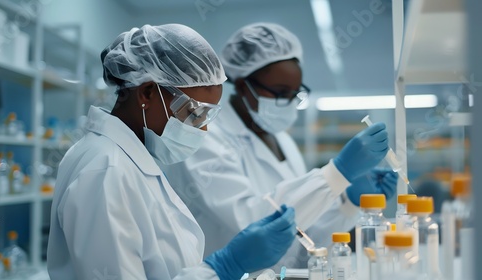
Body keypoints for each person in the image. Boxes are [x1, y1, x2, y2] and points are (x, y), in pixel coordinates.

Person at [47, 24, 297, 280]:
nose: (204, 128)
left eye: (208, 116)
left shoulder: (132, 159)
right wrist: (224, 266)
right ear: (147, 92)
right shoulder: (105, 171)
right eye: (194, 113)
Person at [160, 22, 398, 268]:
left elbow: (303, 236)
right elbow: (254, 222)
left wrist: (348, 203)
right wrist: (336, 174)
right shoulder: (205, 137)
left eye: (294, 93)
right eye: (280, 92)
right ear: (243, 85)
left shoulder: (282, 139)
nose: (288, 102)